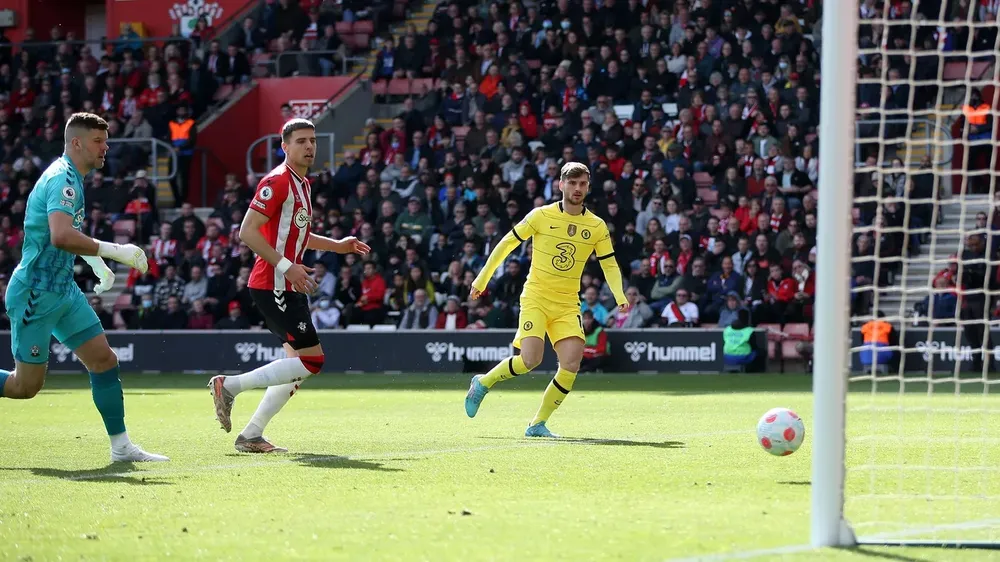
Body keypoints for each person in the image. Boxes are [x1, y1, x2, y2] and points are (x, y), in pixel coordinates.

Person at [0, 113, 166, 462]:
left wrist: (93, 262)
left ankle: (121, 448)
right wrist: (113, 250)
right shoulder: (64, 180)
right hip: (35, 293)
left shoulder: (72, 177)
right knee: (25, 387)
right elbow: (60, 235)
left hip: (63, 289)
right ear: (76, 143)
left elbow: (60, 234)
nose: (105, 147)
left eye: (105, 141)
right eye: (98, 141)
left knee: (104, 360)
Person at [208, 119, 371, 453]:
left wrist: (337, 245)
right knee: (313, 362)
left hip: (286, 283)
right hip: (274, 284)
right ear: (284, 146)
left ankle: (251, 435)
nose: (309, 147)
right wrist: (287, 266)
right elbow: (247, 231)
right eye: (301, 141)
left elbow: (296, 234)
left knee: (295, 369)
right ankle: (229, 386)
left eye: (312, 141)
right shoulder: (277, 182)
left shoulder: (303, 184)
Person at [464, 162, 629, 437]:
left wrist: (619, 295)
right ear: (561, 185)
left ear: (588, 187)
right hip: (536, 297)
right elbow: (506, 243)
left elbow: (609, 264)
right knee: (530, 360)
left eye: (583, 184)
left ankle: (537, 424)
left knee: (571, 363)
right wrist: (482, 279)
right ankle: (483, 382)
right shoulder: (541, 215)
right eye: (572, 183)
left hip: (567, 303)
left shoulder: (596, 225)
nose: (577, 189)